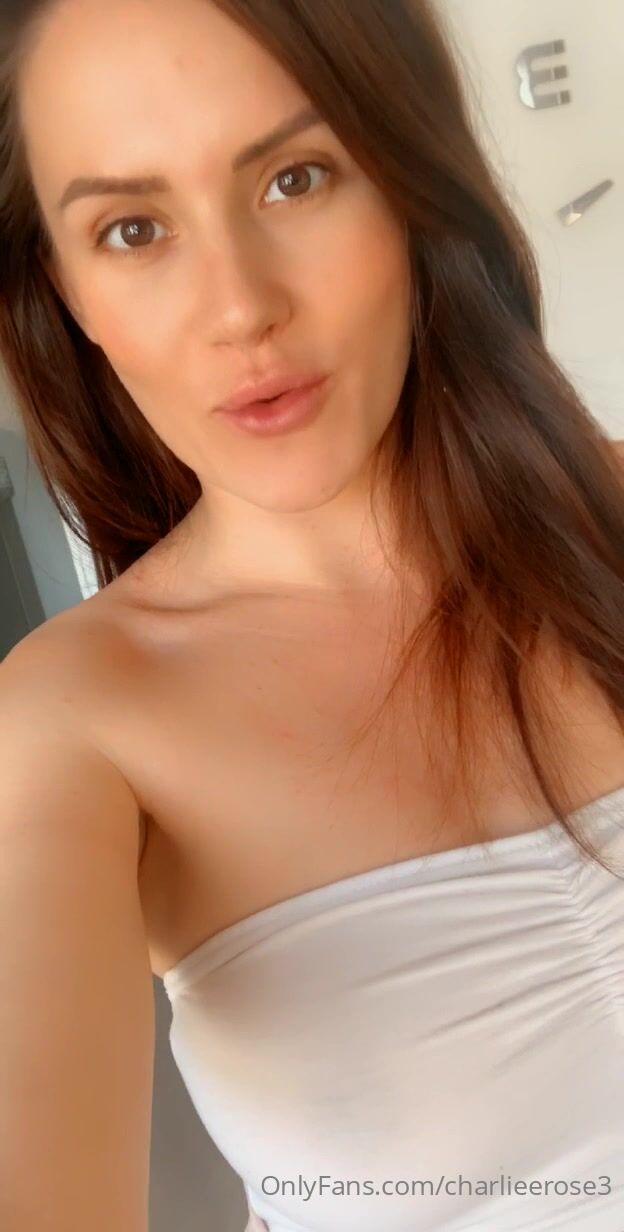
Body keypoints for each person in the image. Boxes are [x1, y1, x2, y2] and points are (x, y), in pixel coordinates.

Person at [1, 0, 623, 1229]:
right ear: (68, 291)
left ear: (408, 181)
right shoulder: (70, 730)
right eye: (133, 228)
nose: (240, 307)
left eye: (296, 177)